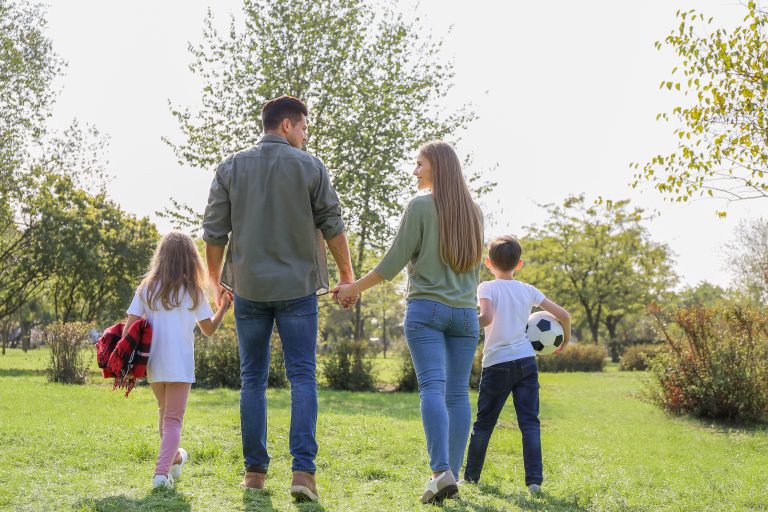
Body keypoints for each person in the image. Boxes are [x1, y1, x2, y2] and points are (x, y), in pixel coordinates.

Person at [202, 95, 356, 502]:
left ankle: (254, 474)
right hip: (297, 290)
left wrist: (214, 280)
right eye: (303, 127)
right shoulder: (310, 167)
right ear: (286, 125)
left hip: (249, 290)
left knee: (251, 379)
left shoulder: (230, 167)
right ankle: (303, 474)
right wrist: (346, 275)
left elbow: (214, 231)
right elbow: (332, 223)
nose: (305, 136)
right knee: (302, 376)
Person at [335, 140, 483, 504]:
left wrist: (353, 286)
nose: (415, 171)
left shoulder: (420, 206)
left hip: (427, 312)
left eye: (420, 164)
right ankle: (451, 476)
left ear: (438, 168)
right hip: (465, 315)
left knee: (433, 387)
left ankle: (439, 472)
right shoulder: (475, 211)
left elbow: (391, 264)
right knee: (457, 394)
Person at [462, 235, 571, 495]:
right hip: (525, 362)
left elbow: (486, 318)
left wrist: (464, 323)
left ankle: (471, 478)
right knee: (530, 423)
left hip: (497, 363)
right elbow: (564, 315)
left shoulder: (486, 288)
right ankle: (534, 481)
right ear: (519, 264)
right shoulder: (528, 290)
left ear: (488, 263)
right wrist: (564, 341)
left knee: (484, 424)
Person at [122, 231, 230, 489]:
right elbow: (208, 329)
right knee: (172, 420)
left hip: (154, 364)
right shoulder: (192, 291)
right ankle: (161, 474)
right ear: (191, 260)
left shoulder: (146, 288)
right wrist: (224, 306)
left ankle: (176, 458)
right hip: (180, 365)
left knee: (165, 417)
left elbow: (128, 331)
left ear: (161, 257)